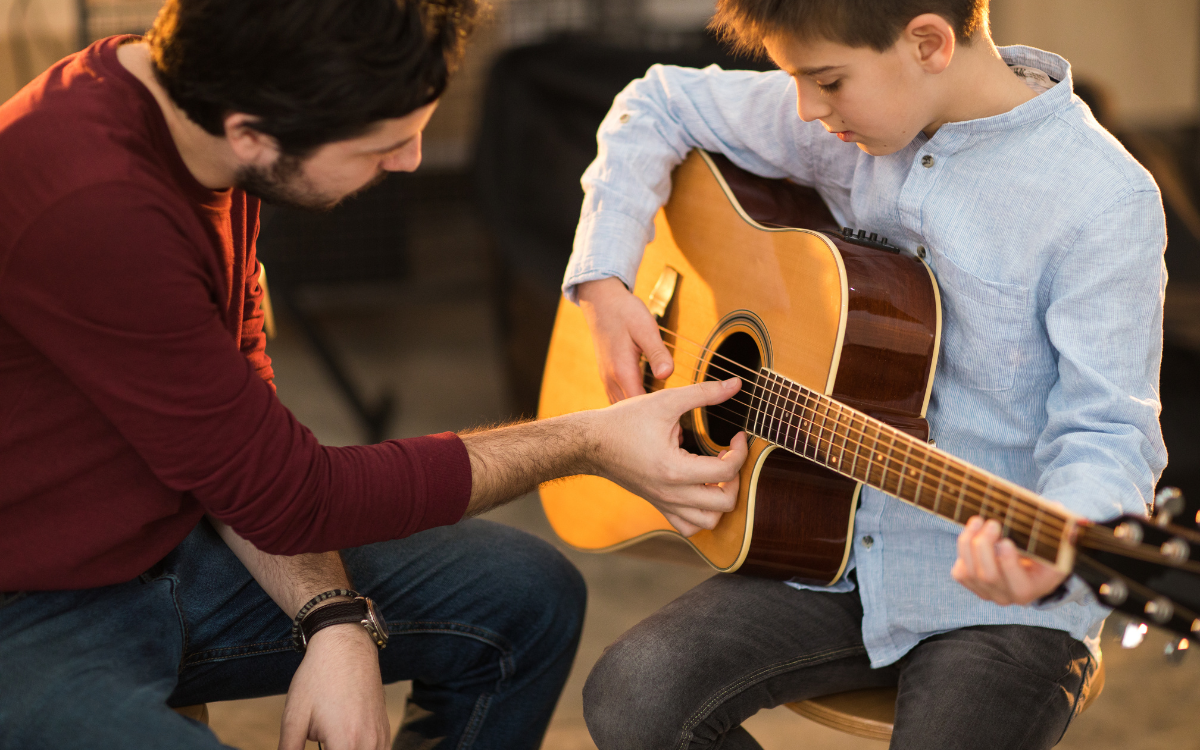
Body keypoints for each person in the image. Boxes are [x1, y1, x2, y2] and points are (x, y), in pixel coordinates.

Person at [0, 1, 750, 749]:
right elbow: (299, 495)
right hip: (29, 606)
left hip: (165, 545)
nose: (411, 162)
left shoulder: (210, 113)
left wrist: (333, 617)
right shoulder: (95, 205)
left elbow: (245, 456)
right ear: (252, 135)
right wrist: (586, 442)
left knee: (528, 597)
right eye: (382, 144)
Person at [564, 0, 1167, 747]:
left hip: (1003, 604)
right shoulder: (852, 119)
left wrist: (1056, 553)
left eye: (827, 81)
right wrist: (604, 281)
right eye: (796, 81)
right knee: (634, 693)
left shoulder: (1103, 199)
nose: (807, 111)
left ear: (928, 43)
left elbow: (1109, 431)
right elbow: (654, 101)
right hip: (835, 553)